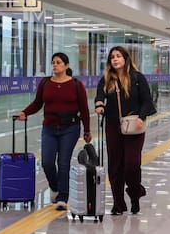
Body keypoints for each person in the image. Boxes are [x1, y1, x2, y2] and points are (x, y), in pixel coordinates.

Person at [18, 52, 91, 210]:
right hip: (49, 128)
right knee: (47, 162)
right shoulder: (45, 83)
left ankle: (63, 198)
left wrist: (87, 130)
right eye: (53, 62)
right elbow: (37, 103)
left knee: (63, 162)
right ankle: (56, 187)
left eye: (58, 62)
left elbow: (84, 109)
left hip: (70, 128)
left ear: (66, 65)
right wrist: (25, 112)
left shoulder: (76, 85)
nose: (55, 65)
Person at [94, 46, 155, 215]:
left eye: (118, 56)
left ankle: (135, 194)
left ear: (125, 58)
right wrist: (99, 104)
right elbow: (100, 95)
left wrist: (142, 118)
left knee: (131, 164)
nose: (115, 59)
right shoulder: (107, 80)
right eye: (112, 57)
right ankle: (118, 203)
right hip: (113, 125)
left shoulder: (137, 78)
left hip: (134, 125)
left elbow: (147, 101)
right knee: (115, 165)